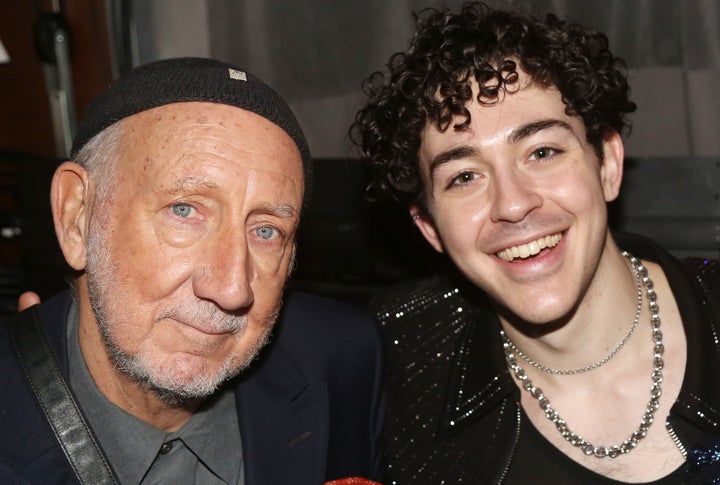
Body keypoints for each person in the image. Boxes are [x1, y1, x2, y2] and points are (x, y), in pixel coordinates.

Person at [353, 2, 720, 483]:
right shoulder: (387, 374)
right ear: (429, 227)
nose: (513, 204)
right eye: (464, 176)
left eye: (542, 151)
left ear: (607, 163)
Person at [1, 57, 384, 484]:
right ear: (78, 217)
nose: (231, 288)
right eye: (184, 210)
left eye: (266, 231)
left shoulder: (344, 359)